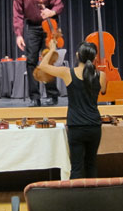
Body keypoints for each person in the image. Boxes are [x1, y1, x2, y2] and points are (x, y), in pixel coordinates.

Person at [38, 40, 106, 178]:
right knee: (91, 164)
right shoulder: (102, 75)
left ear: (77, 55)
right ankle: (93, 198)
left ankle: (76, 199)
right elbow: (103, 90)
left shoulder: (67, 73)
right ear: (95, 57)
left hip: (76, 126)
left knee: (76, 167)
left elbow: (43, 66)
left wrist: (52, 49)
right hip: (94, 126)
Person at [13, 0, 64, 107]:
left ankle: (52, 95)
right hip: (33, 27)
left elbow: (59, 5)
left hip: (49, 25)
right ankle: (34, 97)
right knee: (31, 61)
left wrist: (51, 12)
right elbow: (17, 14)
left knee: (48, 59)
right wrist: (18, 34)